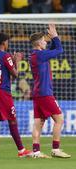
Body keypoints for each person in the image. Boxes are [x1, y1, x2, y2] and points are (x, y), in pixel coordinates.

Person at [0, 32, 32, 158]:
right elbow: (15, 74)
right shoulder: (5, 56)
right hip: (2, 91)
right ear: (5, 42)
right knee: (12, 120)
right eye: (8, 42)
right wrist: (17, 61)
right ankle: (21, 150)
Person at [29, 24, 71, 158]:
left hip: (37, 93)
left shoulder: (35, 55)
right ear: (39, 43)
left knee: (39, 122)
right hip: (45, 93)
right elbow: (59, 50)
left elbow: (52, 49)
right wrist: (55, 36)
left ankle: (36, 151)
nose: (45, 42)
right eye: (44, 40)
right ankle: (56, 149)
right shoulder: (41, 55)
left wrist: (53, 39)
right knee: (59, 119)